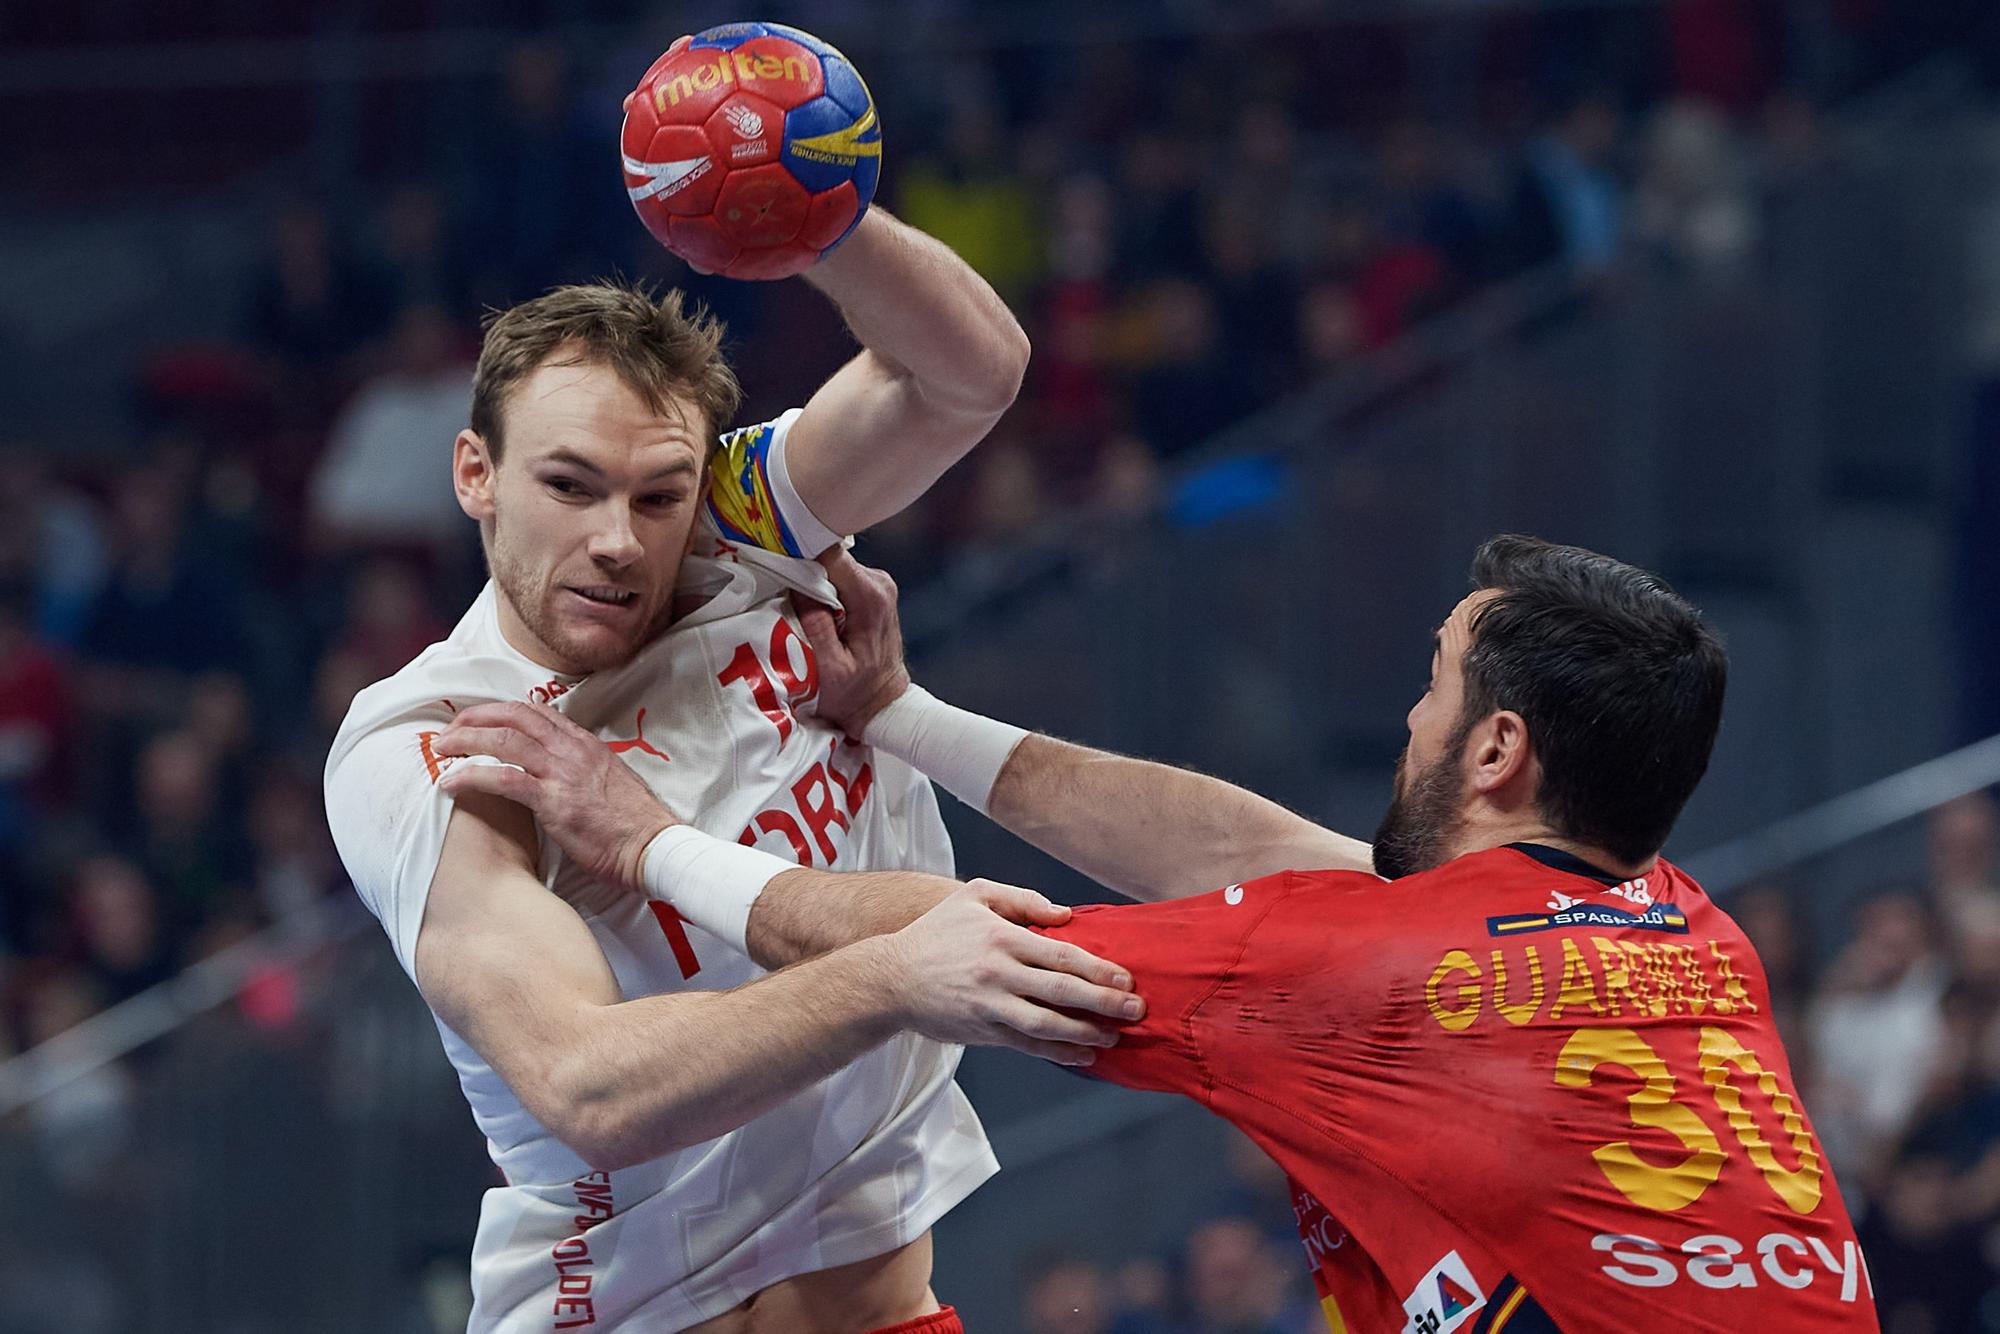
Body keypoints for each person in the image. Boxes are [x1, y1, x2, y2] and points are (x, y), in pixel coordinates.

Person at [438, 535, 1877, 1330]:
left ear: (1497, 748)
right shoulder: (1682, 923)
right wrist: (898, 720)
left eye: (1434, 685)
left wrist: (649, 844)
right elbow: (1252, 852)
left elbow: (977, 947)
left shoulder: (1369, 976)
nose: (1409, 714)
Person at [324, 206, 1144, 1334]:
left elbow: (970, 372)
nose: (618, 537)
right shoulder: (436, 736)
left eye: (654, 495)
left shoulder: (735, 526)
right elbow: (586, 1085)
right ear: (476, 473)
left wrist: (824, 221)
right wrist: (900, 976)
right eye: (567, 486)